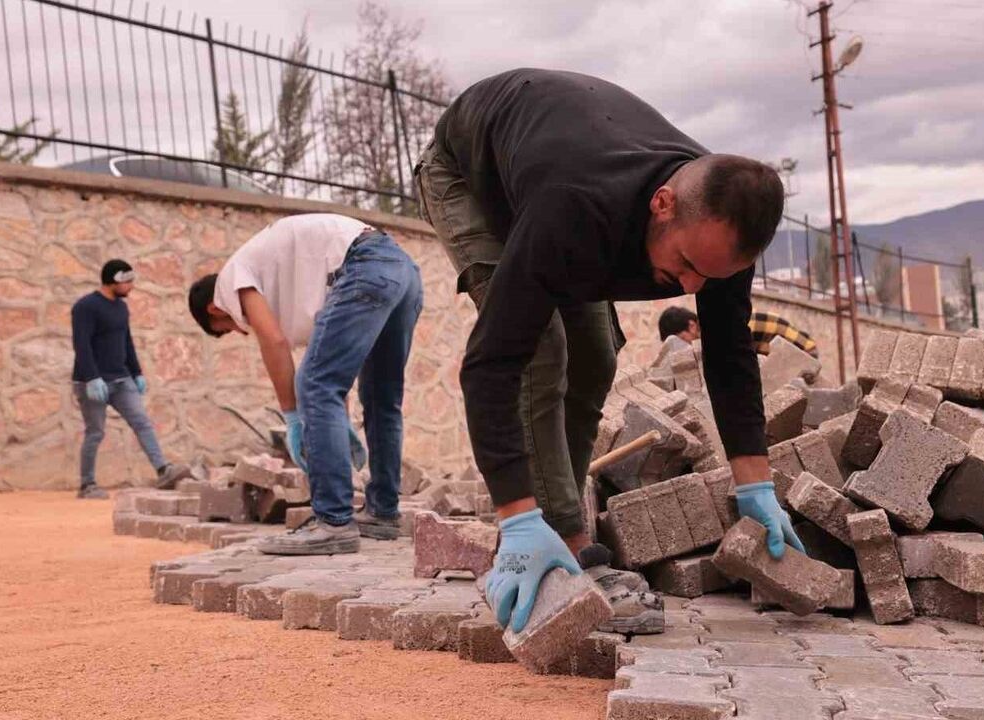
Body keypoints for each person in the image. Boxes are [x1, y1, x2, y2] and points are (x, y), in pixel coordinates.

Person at [415, 68, 800, 637]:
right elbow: (492, 364)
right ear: (663, 204)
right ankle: (560, 545)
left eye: (709, 277)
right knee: (542, 352)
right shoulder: (576, 205)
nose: (691, 287)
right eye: (686, 266)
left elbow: (730, 355)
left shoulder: (720, 232)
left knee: (595, 357)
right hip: (468, 178)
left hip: (553, 176)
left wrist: (755, 484)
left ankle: (556, 527)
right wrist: (516, 517)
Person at [187, 214, 422, 556]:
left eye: (229, 328)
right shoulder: (293, 282)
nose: (242, 330)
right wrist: (337, 423)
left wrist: (293, 418)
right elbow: (333, 371)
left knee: (311, 383)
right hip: (402, 271)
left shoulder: (231, 280)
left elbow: (276, 344)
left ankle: (333, 522)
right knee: (381, 397)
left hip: (364, 264)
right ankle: (382, 512)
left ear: (214, 309)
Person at [71, 259, 190, 499]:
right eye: (127, 281)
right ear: (114, 280)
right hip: (93, 382)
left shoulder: (121, 308)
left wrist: (137, 373)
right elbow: (81, 344)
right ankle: (87, 485)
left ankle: (163, 470)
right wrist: (92, 377)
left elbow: (127, 342)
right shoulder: (85, 307)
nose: (131, 286)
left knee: (142, 422)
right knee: (95, 432)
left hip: (121, 379)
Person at [659, 306, 819, 357]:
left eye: (681, 339)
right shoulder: (713, 327)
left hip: (805, 353)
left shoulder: (719, 329)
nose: (682, 346)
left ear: (691, 326)